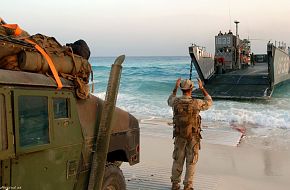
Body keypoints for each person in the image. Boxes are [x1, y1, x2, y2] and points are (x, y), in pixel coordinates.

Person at [167, 78, 213, 190]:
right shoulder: (197, 103)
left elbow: (169, 100)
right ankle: (188, 185)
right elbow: (209, 102)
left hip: (179, 135)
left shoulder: (175, 102)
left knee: (178, 159)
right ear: (191, 89)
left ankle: (175, 184)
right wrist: (202, 88)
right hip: (193, 136)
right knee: (191, 161)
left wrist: (175, 88)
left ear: (182, 89)